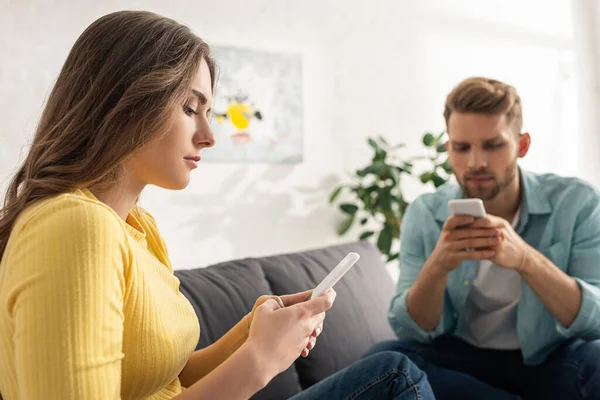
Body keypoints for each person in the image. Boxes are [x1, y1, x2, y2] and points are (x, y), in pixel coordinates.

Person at [0, 10, 434, 400]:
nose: (209, 136)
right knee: (395, 376)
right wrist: (259, 361)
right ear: (125, 102)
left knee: (393, 370)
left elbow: (169, 376)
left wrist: (252, 331)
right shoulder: (73, 228)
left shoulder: (138, 228)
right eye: (191, 107)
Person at [367, 77, 600, 399]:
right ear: (449, 150)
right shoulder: (425, 212)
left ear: (522, 145)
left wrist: (525, 259)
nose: (476, 162)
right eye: (462, 148)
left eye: (493, 145)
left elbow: (596, 321)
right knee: (383, 359)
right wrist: (438, 265)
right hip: (462, 358)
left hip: (550, 359)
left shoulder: (578, 202)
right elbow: (410, 330)